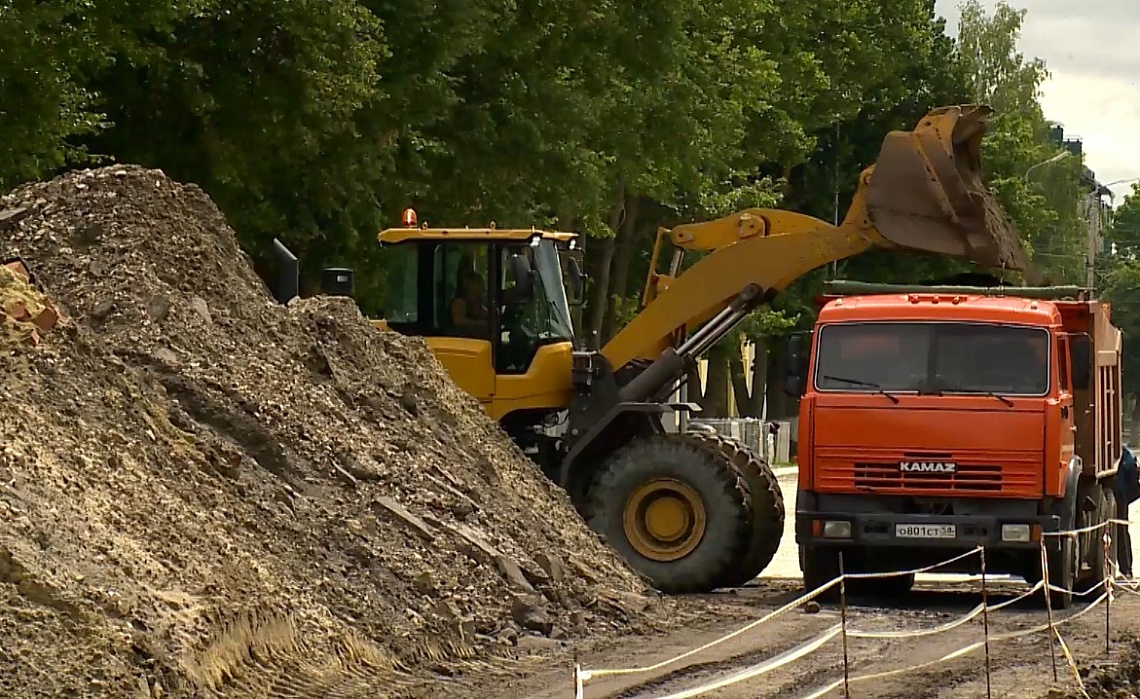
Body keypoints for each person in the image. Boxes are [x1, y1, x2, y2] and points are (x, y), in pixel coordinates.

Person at [1115, 444, 1140, 578]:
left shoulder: (1127, 456)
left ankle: (1126, 569)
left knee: (1121, 531)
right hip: (1121, 495)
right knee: (1121, 531)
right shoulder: (1127, 455)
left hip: (1121, 495)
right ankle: (1126, 569)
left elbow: (1134, 483)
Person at [449, 271, 488, 336]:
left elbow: (480, 313)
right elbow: (458, 320)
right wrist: (481, 323)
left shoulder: (475, 303)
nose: (482, 289)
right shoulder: (459, 301)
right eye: (480, 284)